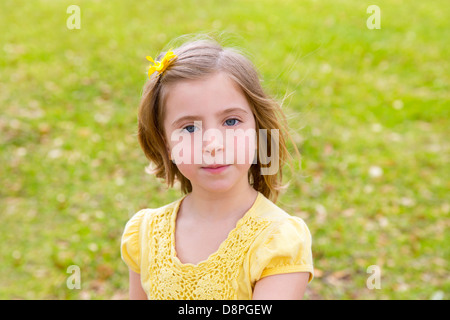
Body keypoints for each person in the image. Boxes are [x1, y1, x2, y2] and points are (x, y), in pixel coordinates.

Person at [121, 36, 314, 299]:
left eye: (231, 122)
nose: (212, 144)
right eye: (189, 127)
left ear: (258, 131)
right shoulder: (144, 233)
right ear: (166, 144)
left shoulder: (277, 241)